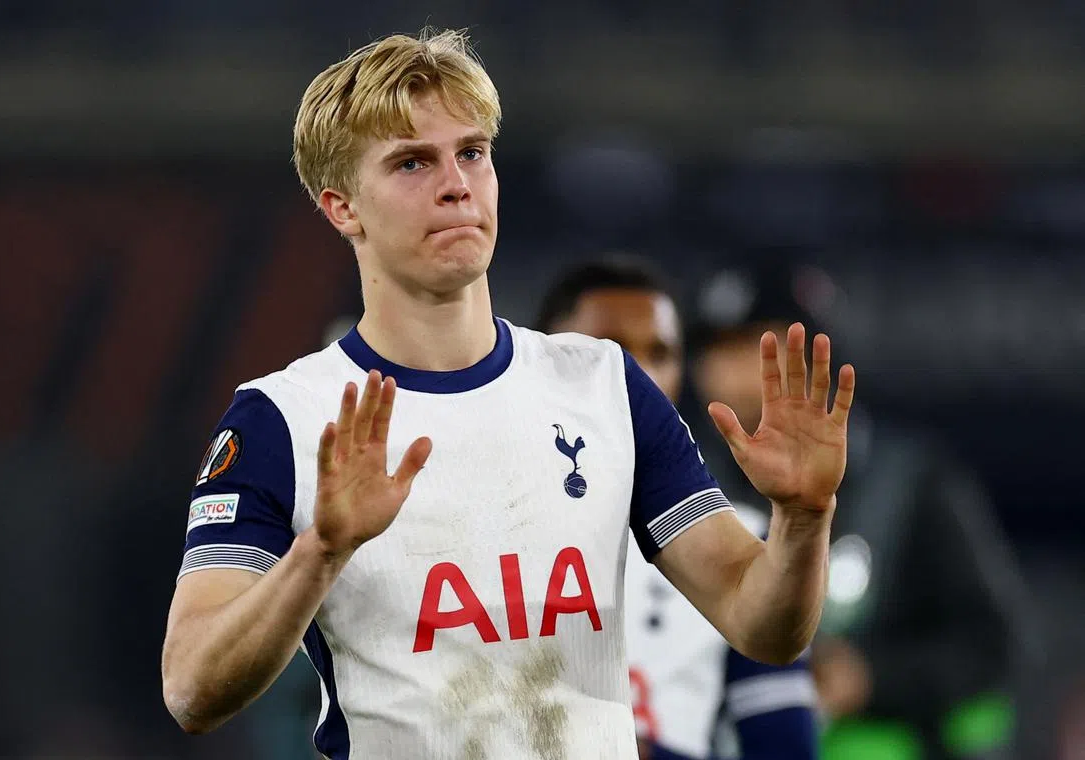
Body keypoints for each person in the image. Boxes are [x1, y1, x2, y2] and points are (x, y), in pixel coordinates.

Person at [160, 30, 857, 760]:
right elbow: (190, 690)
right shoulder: (284, 419)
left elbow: (763, 627)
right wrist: (323, 552)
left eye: (472, 152)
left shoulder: (603, 386)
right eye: (411, 162)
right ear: (342, 207)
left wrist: (803, 520)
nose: (456, 182)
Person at [685, 260, 1032, 760]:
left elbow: (990, 644)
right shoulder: (684, 486)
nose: (734, 371)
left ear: (822, 355)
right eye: (718, 351)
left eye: (760, 347)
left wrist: (868, 675)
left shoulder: (910, 485)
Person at [535, 256, 819, 760]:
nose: (640, 377)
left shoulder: (744, 543)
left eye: (661, 354)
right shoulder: (480, 519)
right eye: (610, 354)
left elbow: (785, 749)